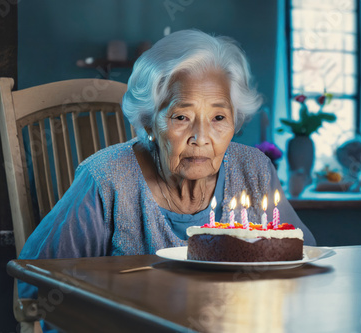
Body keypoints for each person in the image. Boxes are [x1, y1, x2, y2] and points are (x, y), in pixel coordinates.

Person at [19, 29, 316, 300]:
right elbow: (35, 283)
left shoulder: (253, 169)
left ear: (235, 121)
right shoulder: (106, 178)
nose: (201, 138)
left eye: (218, 118)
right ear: (149, 121)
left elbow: (303, 260)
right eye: (181, 117)